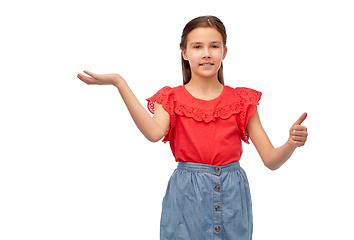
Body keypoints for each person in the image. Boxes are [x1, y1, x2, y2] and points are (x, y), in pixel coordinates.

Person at [77, 15, 308, 240]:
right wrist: (120, 83)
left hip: (233, 200)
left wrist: (290, 144)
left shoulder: (241, 101)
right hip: (187, 201)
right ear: (185, 53)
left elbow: (270, 160)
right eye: (197, 46)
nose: (206, 53)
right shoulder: (171, 98)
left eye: (214, 46)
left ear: (224, 52)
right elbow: (153, 133)